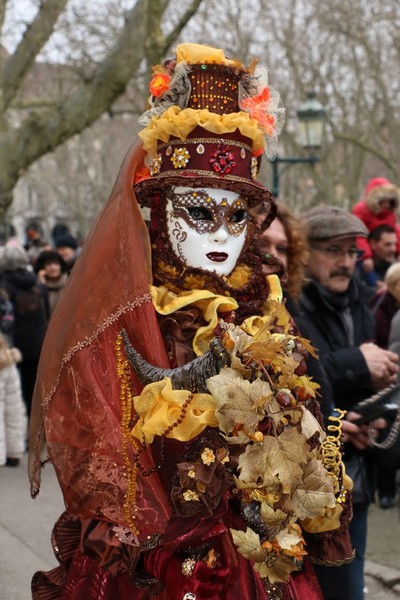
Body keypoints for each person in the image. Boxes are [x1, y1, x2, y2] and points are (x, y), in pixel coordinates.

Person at [29, 44, 353, 600]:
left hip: (259, 557)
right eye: (200, 212)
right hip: (161, 564)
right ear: (161, 212)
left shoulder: (265, 314)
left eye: (237, 215)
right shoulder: (124, 322)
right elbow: (97, 461)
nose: (222, 236)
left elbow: (312, 432)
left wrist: (300, 471)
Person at [294, 204, 399, 600]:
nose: (346, 262)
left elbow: (350, 390)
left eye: (352, 252)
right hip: (310, 484)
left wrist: (378, 408)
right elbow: (299, 377)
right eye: (333, 251)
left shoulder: (362, 301)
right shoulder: (289, 304)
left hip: (356, 480)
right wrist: (358, 363)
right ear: (305, 253)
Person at [0, 244, 49, 418]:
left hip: (11, 348)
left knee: (10, 396)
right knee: (33, 394)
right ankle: (34, 429)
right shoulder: (36, 283)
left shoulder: (4, 287)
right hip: (37, 345)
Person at [352, 177, 400, 286]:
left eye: (389, 201)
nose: (387, 204)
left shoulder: (389, 214)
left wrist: (398, 250)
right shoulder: (361, 211)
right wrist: (366, 255)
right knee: (365, 266)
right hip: (364, 250)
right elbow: (359, 235)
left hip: (380, 251)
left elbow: (395, 232)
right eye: (384, 201)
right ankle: (375, 285)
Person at [0, 331, 26, 467]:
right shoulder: (7, 360)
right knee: (13, 413)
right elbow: (14, 411)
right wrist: (14, 452)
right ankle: (13, 453)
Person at [34, 249, 69, 318]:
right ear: (42, 268)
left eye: (56, 263)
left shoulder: (70, 283)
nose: (53, 268)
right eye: (48, 264)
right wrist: (41, 285)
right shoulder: (37, 288)